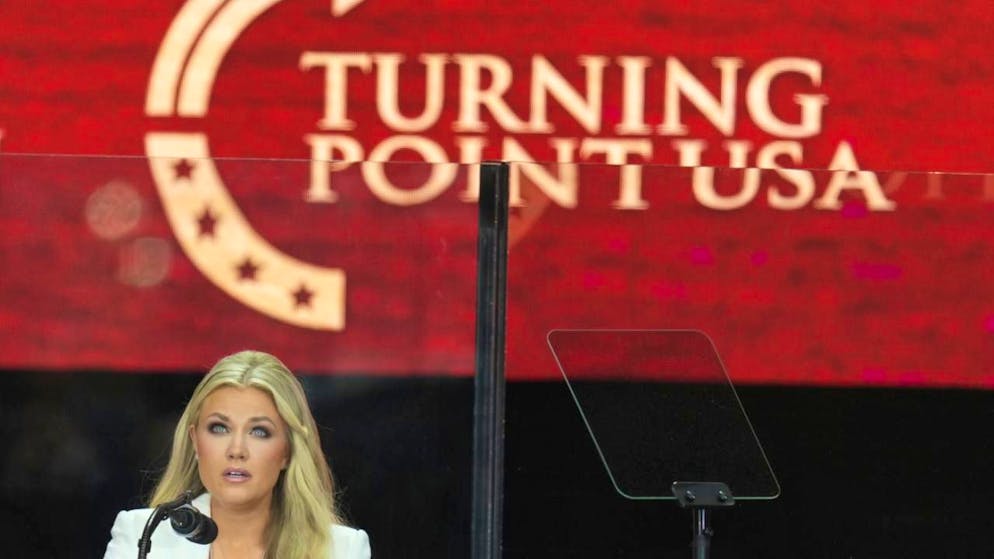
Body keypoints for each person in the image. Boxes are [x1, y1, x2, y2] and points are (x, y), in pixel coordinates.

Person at [103, 350, 371, 559]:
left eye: (259, 432)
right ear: (195, 441)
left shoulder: (342, 549)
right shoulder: (142, 535)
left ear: (287, 452)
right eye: (219, 428)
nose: (236, 450)